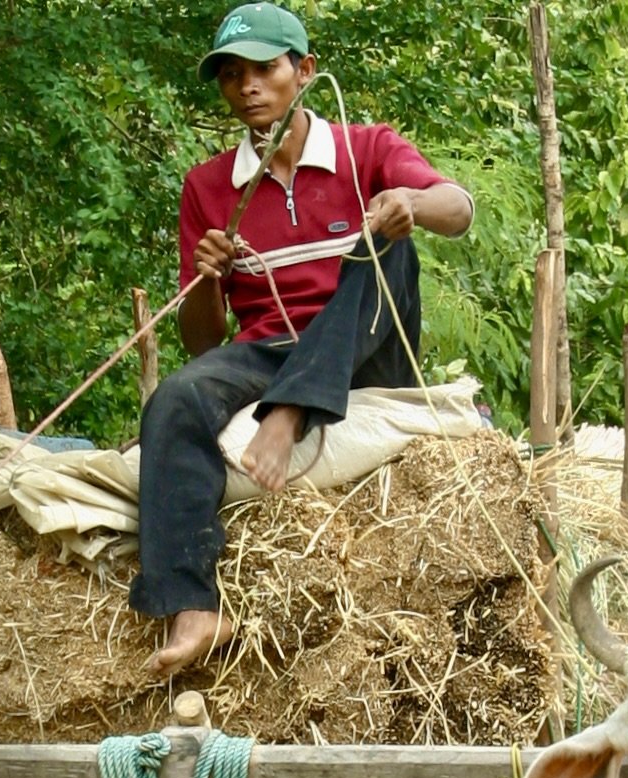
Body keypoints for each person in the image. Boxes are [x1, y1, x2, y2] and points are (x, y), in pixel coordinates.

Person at [131, 3, 475, 676]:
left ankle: (289, 413)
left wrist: (409, 205)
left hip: (367, 345)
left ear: (304, 72)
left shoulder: (366, 149)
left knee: (386, 245)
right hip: (268, 348)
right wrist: (208, 279)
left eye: (264, 69)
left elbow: (457, 210)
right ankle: (194, 607)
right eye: (231, 76)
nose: (247, 87)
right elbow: (204, 342)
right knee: (174, 399)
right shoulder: (206, 186)